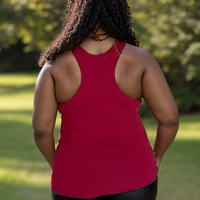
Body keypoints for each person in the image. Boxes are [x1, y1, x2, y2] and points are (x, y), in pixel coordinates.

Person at [32, 0, 179, 200]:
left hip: (72, 181)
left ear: (77, 11)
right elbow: (170, 119)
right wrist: (157, 157)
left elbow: (41, 131)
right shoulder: (140, 59)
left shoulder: (54, 65)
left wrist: (57, 166)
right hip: (136, 179)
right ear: (118, 9)